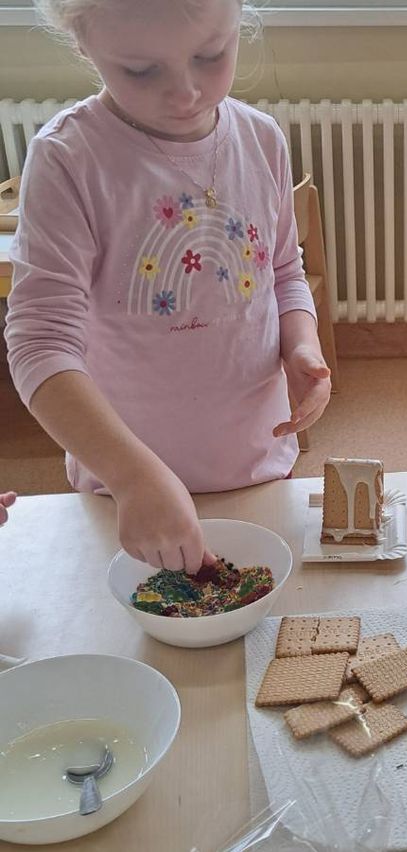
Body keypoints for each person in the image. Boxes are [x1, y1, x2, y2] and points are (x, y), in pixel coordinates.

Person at [5, 0, 331, 572]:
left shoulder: (261, 139)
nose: (185, 92)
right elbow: (40, 344)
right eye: (141, 69)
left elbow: (283, 271)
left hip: (256, 465)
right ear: (84, 46)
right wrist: (132, 475)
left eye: (211, 55)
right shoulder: (68, 159)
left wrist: (300, 343)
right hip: (127, 492)